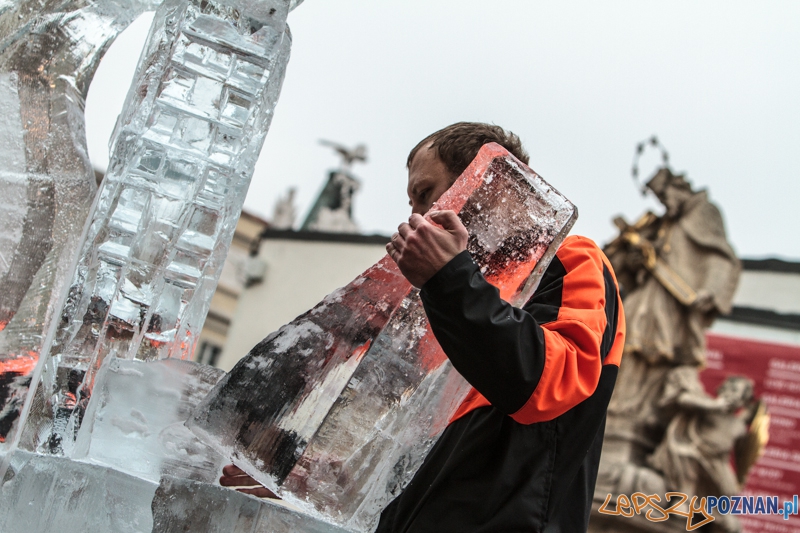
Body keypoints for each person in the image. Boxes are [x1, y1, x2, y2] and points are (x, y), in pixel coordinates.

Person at [222, 122, 626, 532]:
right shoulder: (460, 301)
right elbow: (422, 464)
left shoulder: (571, 258)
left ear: (492, 183)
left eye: (426, 194)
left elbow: (549, 382)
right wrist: (325, 486)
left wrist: (449, 279)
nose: (415, 218)